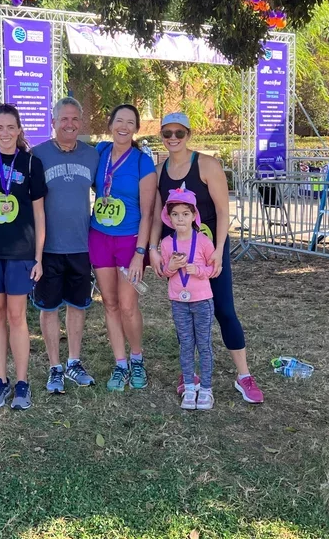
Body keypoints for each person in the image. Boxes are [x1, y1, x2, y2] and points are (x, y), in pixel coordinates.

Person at [149, 112, 265, 404]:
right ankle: (190, 375)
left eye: (179, 133)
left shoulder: (207, 165)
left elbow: (224, 212)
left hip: (209, 248)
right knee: (183, 309)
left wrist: (219, 252)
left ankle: (243, 375)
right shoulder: (160, 169)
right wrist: (152, 249)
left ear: (189, 134)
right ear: (161, 136)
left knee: (224, 309)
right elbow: (155, 215)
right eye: (167, 134)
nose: (173, 139)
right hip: (177, 251)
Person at [0, 104, 47, 410]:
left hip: (20, 251)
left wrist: (39, 256)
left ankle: (22, 382)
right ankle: (0, 380)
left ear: (19, 130)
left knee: (16, 316)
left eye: (10, 127)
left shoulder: (31, 163)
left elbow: (40, 214)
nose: (5, 133)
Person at [32, 97, 101, 393]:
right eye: (64, 119)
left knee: (77, 305)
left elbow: (109, 191)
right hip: (47, 248)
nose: (70, 124)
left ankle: (74, 361)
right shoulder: (37, 155)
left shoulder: (92, 155)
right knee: (48, 308)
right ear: (53, 122)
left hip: (81, 245)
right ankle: (54, 367)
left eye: (75, 119)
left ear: (81, 122)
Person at [90, 104, 157, 392]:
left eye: (130, 123)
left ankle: (137, 358)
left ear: (136, 129)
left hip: (130, 242)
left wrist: (140, 253)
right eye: (119, 120)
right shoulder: (100, 153)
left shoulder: (143, 162)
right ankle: (120, 363)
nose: (124, 127)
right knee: (110, 302)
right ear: (110, 124)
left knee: (128, 305)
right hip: (99, 236)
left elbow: (148, 212)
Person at [159, 187, 217, 410]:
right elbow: (165, 271)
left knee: (203, 344)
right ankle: (190, 387)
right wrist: (170, 267)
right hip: (179, 301)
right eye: (175, 214)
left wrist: (198, 269)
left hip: (202, 301)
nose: (180, 218)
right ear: (169, 217)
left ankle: (206, 389)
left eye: (185, 214)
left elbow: (213, 269)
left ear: (194, 216)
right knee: (185, 345)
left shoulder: (202, 241)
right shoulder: (166, 243)